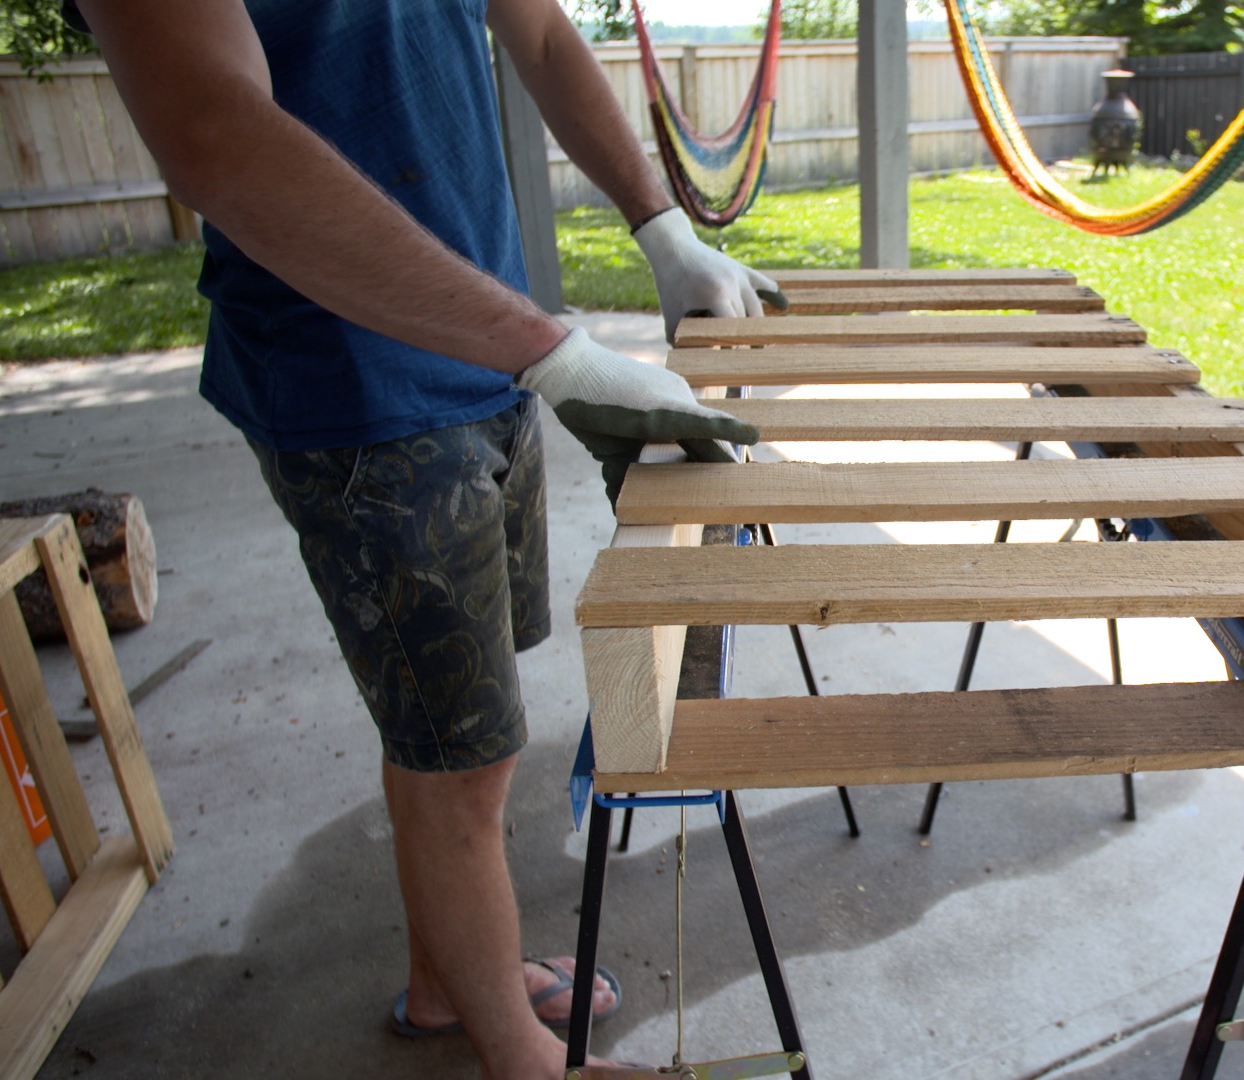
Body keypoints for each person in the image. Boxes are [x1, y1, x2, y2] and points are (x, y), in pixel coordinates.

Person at [68, 1, 779, 1075]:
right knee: (461, 756)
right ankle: (518, 1058)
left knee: (456, 737)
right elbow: (213, 132)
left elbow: (535, 29)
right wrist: (556, 354)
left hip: (487, 347)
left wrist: (662, 230)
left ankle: (452, 979)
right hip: (357, 386)